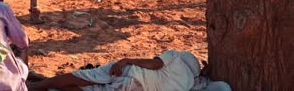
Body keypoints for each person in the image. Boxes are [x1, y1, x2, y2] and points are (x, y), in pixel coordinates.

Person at [27, 49, 231, 91]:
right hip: (131, 84)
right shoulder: (194, 84)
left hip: (131, 72)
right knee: (89, 86)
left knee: (85, 77)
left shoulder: (187, 58)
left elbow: (156, 63)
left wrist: (127, 59)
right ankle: (38, 85)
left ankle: (36, 85)